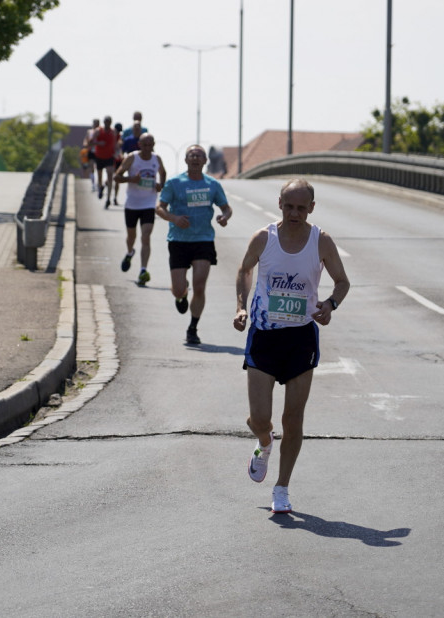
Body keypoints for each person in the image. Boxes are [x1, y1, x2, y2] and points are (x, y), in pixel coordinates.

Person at [234, 179, 350, 515]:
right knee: (259, 418)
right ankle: (265, 442)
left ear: (311, 207)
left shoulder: (321, 241)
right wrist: (241, 306)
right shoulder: (264, 238)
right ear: (280, 204)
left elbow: (342, 281)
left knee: (293, 418)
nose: (295, 213)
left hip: (301, 337)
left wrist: (329, 304)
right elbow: (244, 270)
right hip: (264, 334)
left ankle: (282, 488)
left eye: (301, 207)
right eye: (289, 206)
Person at [155, 144, 233, 345]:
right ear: (186, 160)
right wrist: (174, 218)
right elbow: (159, 207)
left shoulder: (212, 184)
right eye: (192, 155)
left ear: (205, 161)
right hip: (179, 241)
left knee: (200, 287)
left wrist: (224, 217)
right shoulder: (174, 183)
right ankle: (181, 294)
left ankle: (193, 328)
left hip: (203, 240)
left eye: (199, 155)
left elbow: (226, 208)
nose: (195, 158)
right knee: (178, 289)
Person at [114, 132, 167, 285]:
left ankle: (143, 270)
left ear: (154, 145)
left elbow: (163, 174)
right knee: (132, 236)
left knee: (146, 236)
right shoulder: (132, 158)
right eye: (145, 144)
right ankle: (130, 252)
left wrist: (160, 186)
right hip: (132, 204)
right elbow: (116, 177)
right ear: (139, 145)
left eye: (150, 145)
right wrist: (131, 179)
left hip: (149, 204)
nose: (147, 148)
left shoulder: (157, 159)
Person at [91, 115, 117, 207]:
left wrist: (116, 152)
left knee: (110, 175)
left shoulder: (113, 132)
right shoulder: (98, 131)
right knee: (99, 175)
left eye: (109, 122)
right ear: (104, 122)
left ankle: (108, 199)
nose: (107, 123)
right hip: (99, 156)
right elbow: (91, 141)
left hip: (109, 156)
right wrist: (98, 143)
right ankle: (100, 187)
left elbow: (115, 143)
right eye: (106, 121)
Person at [82, 118, 99, 192]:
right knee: (92, 167)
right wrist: (86, 144)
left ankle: (99, 183)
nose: (96, 124)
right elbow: (86, 139)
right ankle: (93, 184)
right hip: (91, 151)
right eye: (95, 123)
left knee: (99, 168)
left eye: (97, 123)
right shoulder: (90, 131)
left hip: (99, 151)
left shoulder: (100, 131)